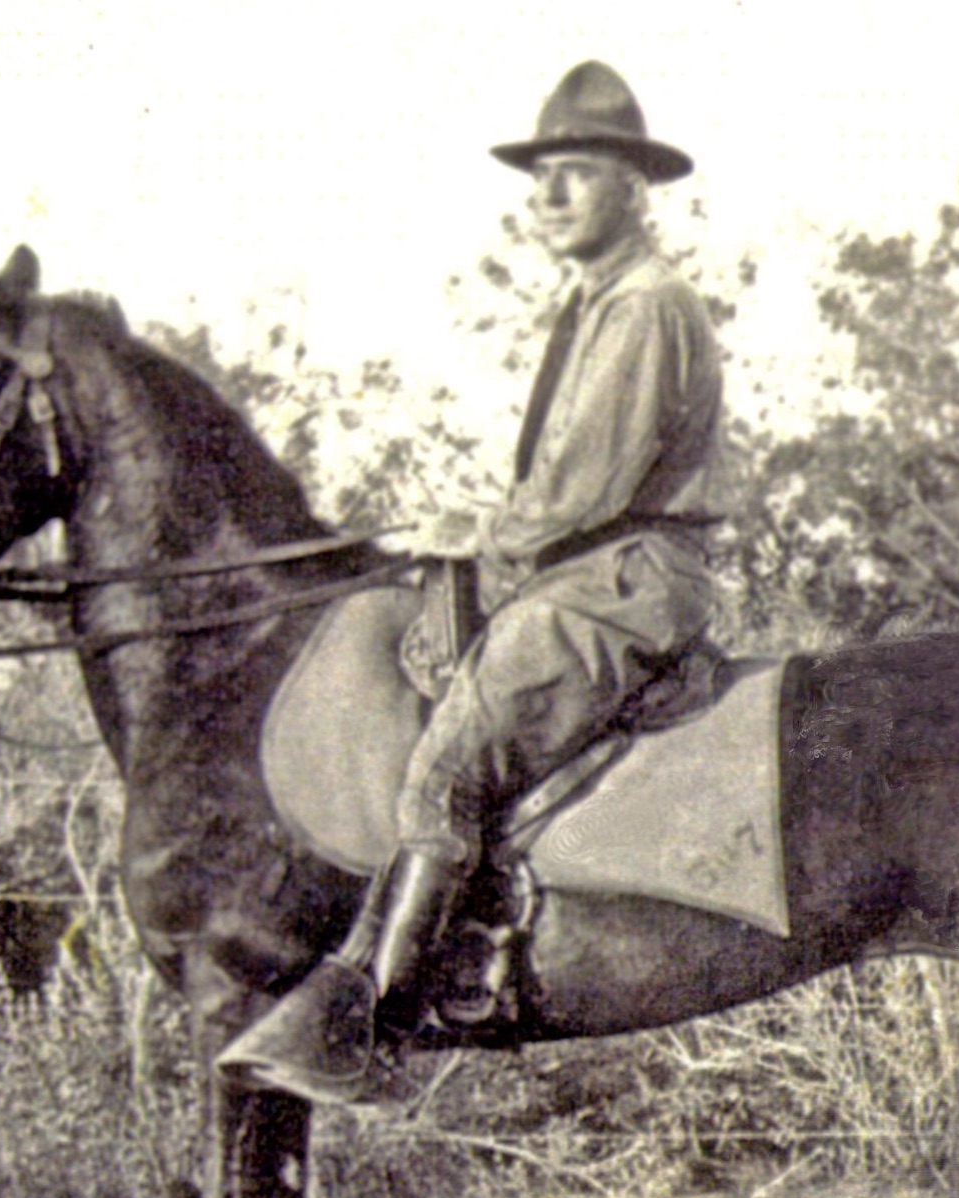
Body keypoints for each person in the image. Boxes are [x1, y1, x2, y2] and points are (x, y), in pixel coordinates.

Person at [222, 60, 727, 1103]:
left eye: (575, 174)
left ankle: (378, 1012)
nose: (546, 197)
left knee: (451, 754)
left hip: (625, 580)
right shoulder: (598, 305)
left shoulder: (643, 307)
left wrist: (482, 532)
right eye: (540, 176)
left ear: (633, 189)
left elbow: (585, 483)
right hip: (586, 568)